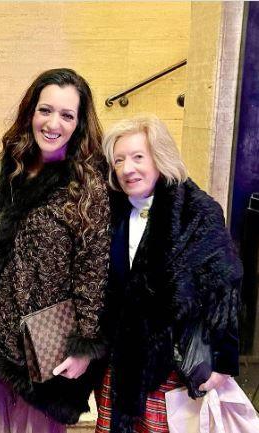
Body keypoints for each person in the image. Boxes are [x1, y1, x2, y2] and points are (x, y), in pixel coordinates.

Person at [0, 68, 110, 432]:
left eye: (67, 115)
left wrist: (84, 346)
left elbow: (92, 272)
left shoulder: (86, 185)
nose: (53, 123)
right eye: (45, 110)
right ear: (31, 111)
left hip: (46, 346)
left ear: (79, 123)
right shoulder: (7, 170)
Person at [96, 115, 243, 433]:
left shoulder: (197, 211)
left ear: (159, 157)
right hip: (120, 363)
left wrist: (222, 363)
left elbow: (224, 289)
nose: (127, 169)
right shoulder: (113, 210)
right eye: (119, 160)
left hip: (171, 367)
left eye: (138, 157)